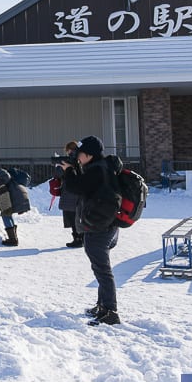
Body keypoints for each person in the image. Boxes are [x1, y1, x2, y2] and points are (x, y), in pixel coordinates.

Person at [60, 135, 122, 326]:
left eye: (80, 155)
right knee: (101, 268)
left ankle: (110, 311)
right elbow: (86, 188)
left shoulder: (97, 170)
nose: (77, 158)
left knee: (102, 270)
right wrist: (75, 169)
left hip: (100, 227)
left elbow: (76, 187)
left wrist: (69, 172)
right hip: (107, 224)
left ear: (88, 155)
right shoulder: (102, 167)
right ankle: (102, 306)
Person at [0, 167, 30, 247]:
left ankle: (13, 240)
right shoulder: (3, 178)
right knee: (8, 214)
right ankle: (13, 238)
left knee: (6, 214)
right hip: (19, 193)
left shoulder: (0, 179)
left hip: (16, 195)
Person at [52, 140, 84, 248]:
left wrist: (60, 166)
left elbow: (60, 174)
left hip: (70, 192)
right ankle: (80, 237)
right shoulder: (80, 159)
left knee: (73, 216)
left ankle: (78, 238)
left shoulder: (71, 160)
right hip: (75, 192)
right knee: (77, 216)